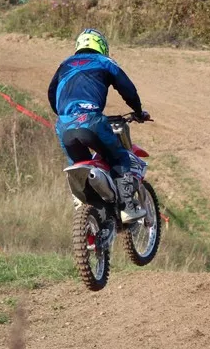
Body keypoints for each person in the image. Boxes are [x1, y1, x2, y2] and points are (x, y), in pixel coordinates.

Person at [47, 28, 150, 223]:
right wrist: (138, 111)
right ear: (101, 46)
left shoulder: (64, 65)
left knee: (79, 167)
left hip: (64, 125)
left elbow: (52, 93)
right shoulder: (104, 62)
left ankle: (85, 207)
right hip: (91, 120)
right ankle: (127, 207)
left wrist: (66, 114)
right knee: (120, 157)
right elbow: (127, 89)